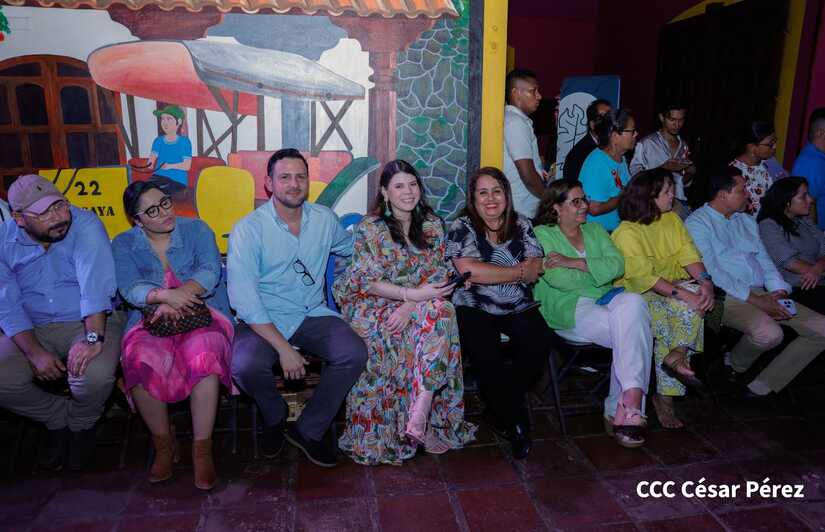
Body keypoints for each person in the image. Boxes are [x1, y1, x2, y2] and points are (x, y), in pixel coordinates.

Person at [228, 148, 367, 468]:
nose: (294, 184)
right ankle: (274, 414)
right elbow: (245, 300)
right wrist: (283, 349)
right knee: (245, 365)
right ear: (269, 183)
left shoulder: (324, 220)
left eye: (300, 177)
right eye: (285, 177)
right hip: (262, 319)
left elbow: (353, 249)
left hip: (310, 313)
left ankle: (308, 429)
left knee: (353, 353)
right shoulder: (248, 229)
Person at [334, 160, 476, 465]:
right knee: (433, 319)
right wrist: (408, 297)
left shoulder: (433, 225)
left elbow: (438, 276)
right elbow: (366, 282)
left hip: (420, 302)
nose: (408, 192)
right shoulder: (371, 228)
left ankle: (421, 409)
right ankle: (413, 420)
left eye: (412, 184)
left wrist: (412, 305)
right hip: (374, 302)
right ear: (385, 192)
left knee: (443, 311)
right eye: (399, 186)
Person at [112, 181, 234, 489]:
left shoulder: (196, 229)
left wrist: (180, 295)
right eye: (152, 211)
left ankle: (202, 450)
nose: (165, 212)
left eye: (165, 203)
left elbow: (210, 270)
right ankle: (164, 445)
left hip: (203, 310)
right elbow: (128, 287)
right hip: (150, 316)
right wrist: (162, 297)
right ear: (137, 220)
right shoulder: (123, 243)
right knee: (139, 357)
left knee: (204, 353)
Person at [0, 174, 124, 471]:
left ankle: (81, 425)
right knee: (4, 380)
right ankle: (58, 418)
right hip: (32, 326)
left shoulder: (85, 225)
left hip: (88, 321)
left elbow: (94, 287)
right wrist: (34, 352)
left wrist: (93, 339)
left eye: (60, 205)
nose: (58, 217)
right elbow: (8, 304)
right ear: (19, 218)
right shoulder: (4, 240)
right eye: (44, 213)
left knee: (93, 375)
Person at [686, 166, 825, 397]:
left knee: (821, 329)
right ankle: (733, 366)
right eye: (742, 190)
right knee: (770, 334)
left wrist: (779, 291)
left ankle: (762, 385)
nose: (748, 195)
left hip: (761, 292)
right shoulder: (697, 224)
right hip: (726, 295)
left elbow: (765, 261)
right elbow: (713, 273)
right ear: (723, 195)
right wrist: (757, 301)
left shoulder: (746, 221)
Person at [533, 179, 652, 447]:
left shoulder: (595, 229)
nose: (585, 206)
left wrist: (575, 262)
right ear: (556, 207)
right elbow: (558, 279)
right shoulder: (542, 235)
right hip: (568, 307)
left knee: (634, 303)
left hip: (607, 301)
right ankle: (625, 408)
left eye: (584, 199)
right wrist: (597, 272)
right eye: (576, 201)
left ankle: (629, 401)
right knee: (634, 330)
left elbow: (618, 265)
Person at [446, 167, 548, 459]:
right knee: (485, 351)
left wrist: (491, 272)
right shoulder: (462, 226)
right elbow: (469, 271)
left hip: (516, 302)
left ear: (506, 195)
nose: (490, 199)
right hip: (472, 303)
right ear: (473, 198)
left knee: (540, 341)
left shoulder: (522, 223)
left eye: (497, 191)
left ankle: (502, 403)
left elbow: (536, 268)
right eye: (483, 192)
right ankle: (516, 421)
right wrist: (516, 271)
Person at [612, 168, 713, 429]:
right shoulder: (627, 232)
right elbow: (643, 278)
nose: (673, 196)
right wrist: (686, 293)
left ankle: (677, 356)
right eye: (667, 191)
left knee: (693, 302)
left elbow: (689, 255)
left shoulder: (672, 220)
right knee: (682, 309)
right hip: (636, 297)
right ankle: (669, 387)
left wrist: (706, 283)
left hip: (671, 288)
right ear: (649, 197)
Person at [758, 177, 825, 315]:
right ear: (787, 202)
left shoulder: (803, 221)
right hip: (798, 288)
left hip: (819, 281)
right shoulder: (769, 225)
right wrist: (817, 271)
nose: (810, 200)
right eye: (803, 196)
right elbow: (788, 262)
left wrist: (818, 268)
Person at [629, 103, 696, 219]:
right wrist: (663, 168)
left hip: (678, 204)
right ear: (662, 118)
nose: (677, 125)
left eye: (681, 120)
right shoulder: (647, 144)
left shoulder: (684, 146)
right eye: (672, 120)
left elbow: (680, 183)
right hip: (652, 206)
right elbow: (634, 178)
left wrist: (690, 173)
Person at [579, 108, 637, 232]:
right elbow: (593, 208)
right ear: (615, 136)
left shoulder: (621, 157)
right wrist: (623, 196)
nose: (636, 134)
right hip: (599, 234)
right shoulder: (597, 162)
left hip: (619, 230)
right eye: (632, 131)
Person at [503, 68, 547, 218]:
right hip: (522, 210)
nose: (539, 96)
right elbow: (527, 174)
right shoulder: (516, 122)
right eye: (533, 91)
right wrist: (549, 200)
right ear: (516, 93)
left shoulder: (516, 120)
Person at [730, 121, 778, 216]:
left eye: (775, 141)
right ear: (751, 147)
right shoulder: (735, 173)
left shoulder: (770, 162)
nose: (775, 147)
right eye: (770, 144)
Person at [791, 107, 825, 229]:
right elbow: (806, 208)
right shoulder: (811, 163)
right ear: (820, 133)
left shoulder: (818, 156)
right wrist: (816, 237)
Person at [562, 99, 612, 181]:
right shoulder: (579, 154)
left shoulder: (614, 147)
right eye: (602, 118)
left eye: (610, 117)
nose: (609, 122)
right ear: (592, 124)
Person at [147, 105, 193, 195]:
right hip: (157, 178)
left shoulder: (184, 142)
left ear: (179, 121)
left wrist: (169, 166)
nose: (165, 123)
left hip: (177, 181)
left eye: (169, 119)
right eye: (162, 119)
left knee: (155, 192)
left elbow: (187, 166)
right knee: (144, 190)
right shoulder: (158, 141)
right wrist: (149, 164)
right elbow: (151, 161)